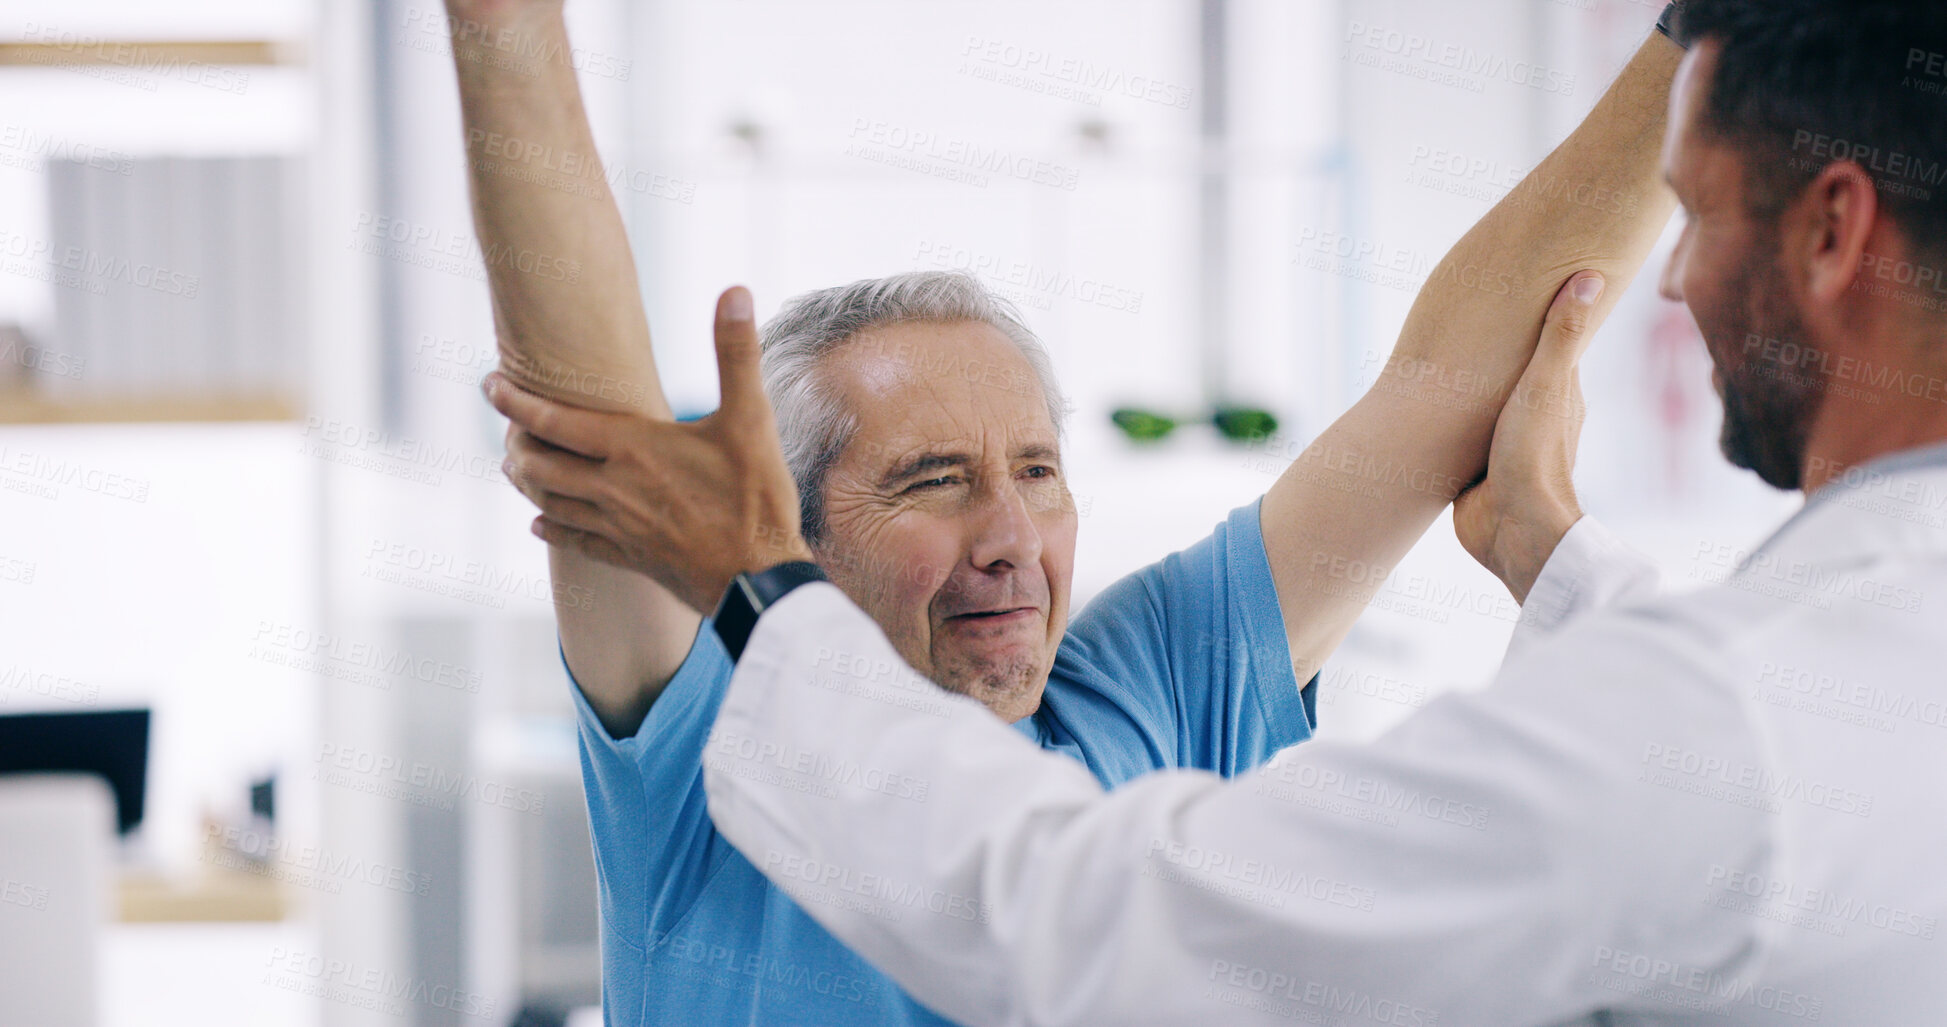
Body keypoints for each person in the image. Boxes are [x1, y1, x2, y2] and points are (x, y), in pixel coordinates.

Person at [628, 1, 1945, 1022]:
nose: (1673, 288)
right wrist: (1555, 558)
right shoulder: (1854, 657)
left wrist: (762, 589)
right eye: (930, 480)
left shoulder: (1732, 719)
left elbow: (1092, 927)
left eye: (1698, 216)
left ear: (1836, 228)